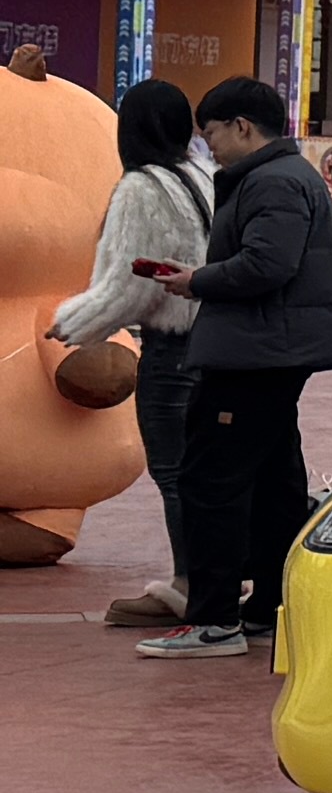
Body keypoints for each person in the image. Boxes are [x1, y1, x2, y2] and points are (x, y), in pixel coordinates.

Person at [134, 75, 332, 656]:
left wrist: (195, 281)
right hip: (272, 349)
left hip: (256, 351)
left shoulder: (273, 180)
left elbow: (267, 264)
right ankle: (267, 608)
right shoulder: (282, 175)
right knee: (273, 480)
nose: (210, 149)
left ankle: (213, 619)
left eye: (211, 135)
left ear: (241, 127)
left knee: (211, 479)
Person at [47, 79, 209, 633]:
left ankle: (191, 586)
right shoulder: (203, 176)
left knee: (176, 472)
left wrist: (69, 325)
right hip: (215, 343)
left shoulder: (141, 187)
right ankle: (218, 577)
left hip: (172, 349)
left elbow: (130, 284)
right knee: (210, 469)